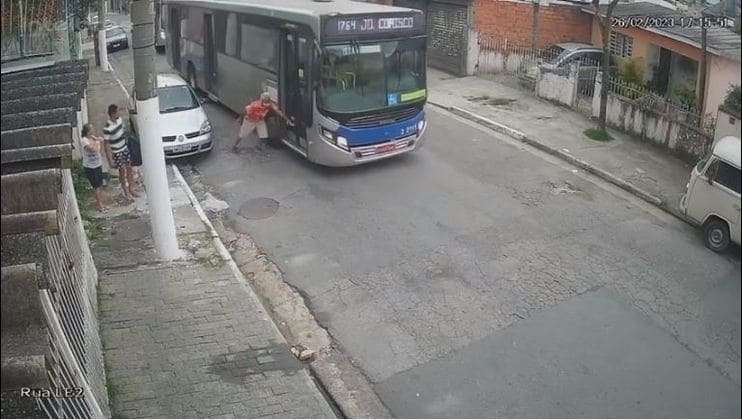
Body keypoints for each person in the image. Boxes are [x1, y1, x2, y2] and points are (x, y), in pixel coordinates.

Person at [103, 104, 139, 201]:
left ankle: (132, 188)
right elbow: (106, 144)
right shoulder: (107, 128)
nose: (119, 113)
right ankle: (126, 191)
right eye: (117, 111)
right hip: (117, 152)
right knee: (122, 172)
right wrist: (110, 160)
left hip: (124, 148)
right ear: (113, 113)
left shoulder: (120, 120)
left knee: (129, 169)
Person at [81, 124, 109, 212]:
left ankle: (101, 203)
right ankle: (99, 205)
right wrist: (98, 142)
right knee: (96, 186)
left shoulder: (92, 138)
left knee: (100, 185)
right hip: (90, 166)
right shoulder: (84, 141)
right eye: (91, 129)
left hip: (97, 164)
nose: (93, 130)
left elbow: (99, 148)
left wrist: (97, 141)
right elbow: (94, 149)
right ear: (88, 131)